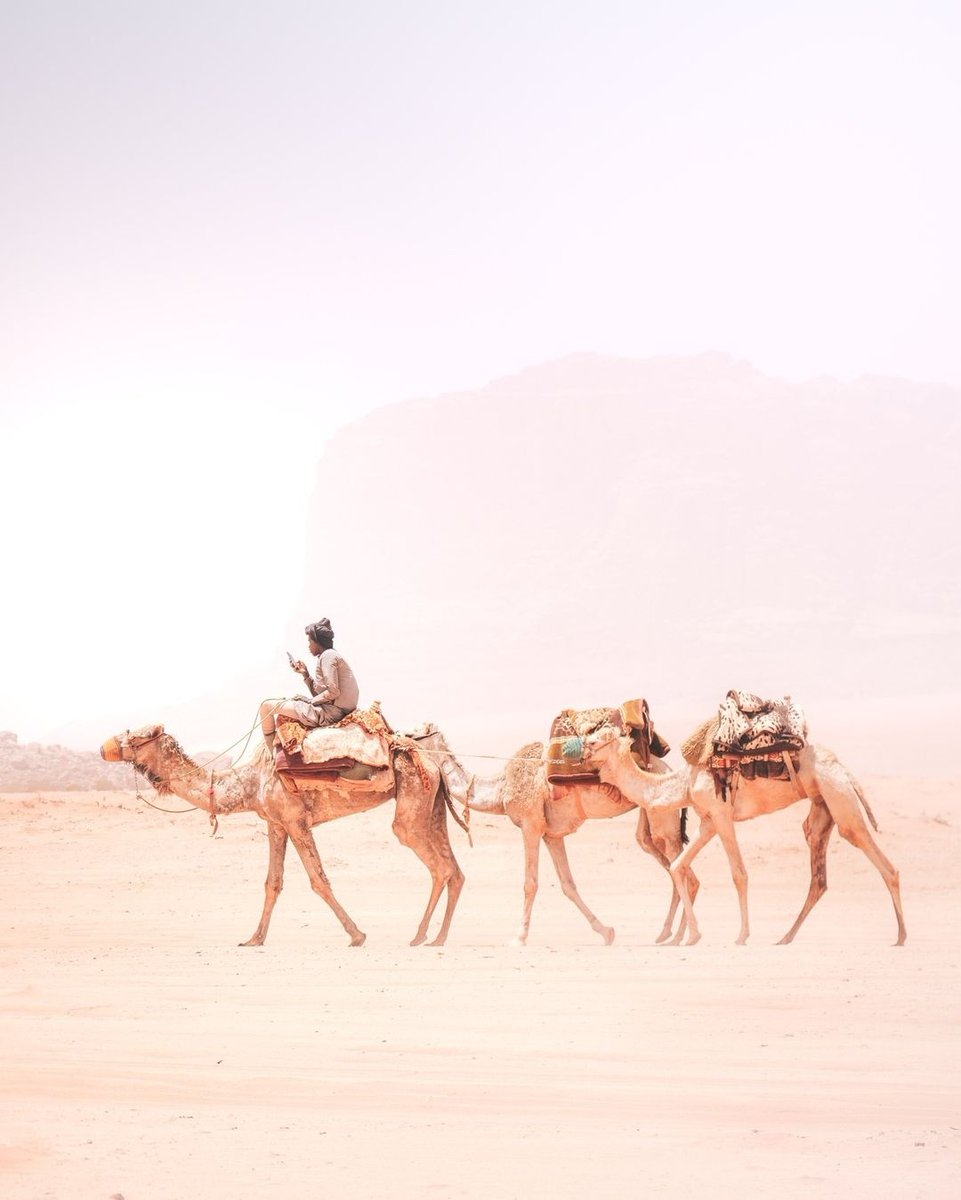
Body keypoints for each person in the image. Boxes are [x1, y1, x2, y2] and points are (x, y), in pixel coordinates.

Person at [259, 618, 360, 752]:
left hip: (331, 713)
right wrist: (305, 674)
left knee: (266, 706)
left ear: (317, 642)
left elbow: (333, 692)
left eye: (310, 641)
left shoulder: (328, 656)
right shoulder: (330, 656)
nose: (308, 645)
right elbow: (325, 694)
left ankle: (270, 754)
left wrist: (311, 701)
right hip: (332, 709)